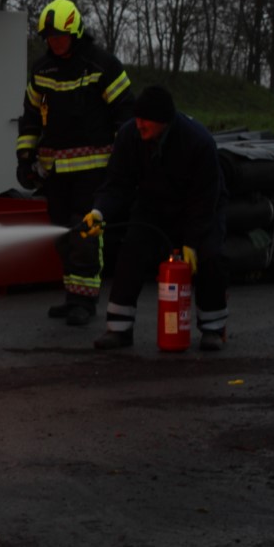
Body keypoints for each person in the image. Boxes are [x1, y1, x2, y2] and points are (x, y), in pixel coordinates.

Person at [83, 85, 229, 351]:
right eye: (137, 118)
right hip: (152, 206)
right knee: (131, 253)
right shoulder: (129, 136)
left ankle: (213, 328)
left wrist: (192, 242)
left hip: (198, 209)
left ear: (164, 120)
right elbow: (116, 183)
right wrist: (99, 212)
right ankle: (119, 328)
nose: (139, 125)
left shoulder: (198, 142)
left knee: (210, 257)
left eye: (145, 120)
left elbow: (206, 198)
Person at [15, 0, 133, 326]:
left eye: (60, 36)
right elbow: (30, 117)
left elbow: (126, 113)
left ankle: (85, 300)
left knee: (85, 235)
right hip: (55, 174)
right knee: (62, 236)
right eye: (50, 37)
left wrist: (124, 160)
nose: (55, 42)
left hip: (94, 171)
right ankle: (72, 296)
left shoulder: (102, 66)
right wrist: (25, 157)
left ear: (76, 32)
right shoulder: (42, 70)